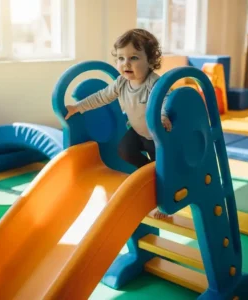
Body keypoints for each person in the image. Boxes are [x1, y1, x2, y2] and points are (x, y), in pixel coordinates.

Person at [65, 28, 172, 219]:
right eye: (121, 58)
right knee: (124, 150)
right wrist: (78, 107)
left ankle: (163, 205)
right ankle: (147, 173)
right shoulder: (121, 82)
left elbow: (167, 99)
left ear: (150, 61)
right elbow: (102, 97)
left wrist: (163, 116)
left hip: (157, 137)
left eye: (134, 58)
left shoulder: (154, 83)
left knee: (163, 174)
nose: (126, 63)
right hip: (138, 133)